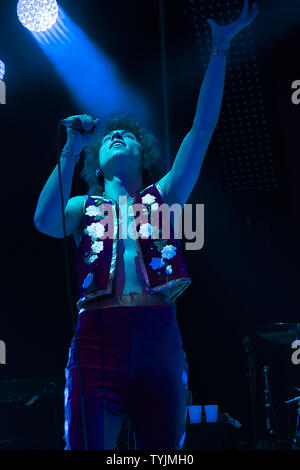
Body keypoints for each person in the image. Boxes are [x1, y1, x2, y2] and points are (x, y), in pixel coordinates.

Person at [34, 1, 258, 450]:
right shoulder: (84, 204)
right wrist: (71, 148)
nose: (117, 136)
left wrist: (219, 48)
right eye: (109, 136)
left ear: (144, 153)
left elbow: (204, 126)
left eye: (128, 135)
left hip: (157, 331)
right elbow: (45, 221)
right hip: (97, 337)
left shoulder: (166, 193)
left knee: (161, 452)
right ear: (96, 160)